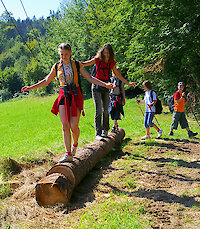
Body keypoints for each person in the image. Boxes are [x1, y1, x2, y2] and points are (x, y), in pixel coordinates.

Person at [21, 43, 115, 163]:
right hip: (63, 96)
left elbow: (90, 78)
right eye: (61, 54)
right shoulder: (56, 66)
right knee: (65, 126)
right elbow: (46, 80)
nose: (63, 57)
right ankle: (68, 153)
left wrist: (105, 84)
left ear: (70, 53)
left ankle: (75, 145)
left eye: (65, 54)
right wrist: (30, 87)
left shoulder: (77, 64)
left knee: (73, 126)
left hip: (75, 96)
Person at [82, 43, 137, 140]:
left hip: (107, 87)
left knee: (106, 110)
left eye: (108, 53)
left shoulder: (112, 63)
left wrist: (128, 83)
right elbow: (85, 63)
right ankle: (98, 133)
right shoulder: (97, 60)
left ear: (111, 53)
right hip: (96, 86)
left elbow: (118, 75)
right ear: (102, 52)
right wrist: (74, 63)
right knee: (98, 110)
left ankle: (105, 130)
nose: (106, 55)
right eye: (105, 53)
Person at [109, 67, 125, 132]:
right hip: (111, 97)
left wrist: (123, 99)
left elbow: (123, 90)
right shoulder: (111, 79)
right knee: (111, 111)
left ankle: (114, 125)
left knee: (117, 111)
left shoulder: (121, 81)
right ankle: (115, 124)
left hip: (118, 98)